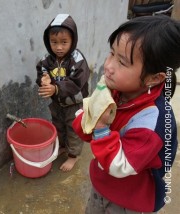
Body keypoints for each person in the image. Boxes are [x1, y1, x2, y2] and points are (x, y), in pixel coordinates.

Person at [72, 15, 180, 213]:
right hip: (102, 184)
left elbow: (119, 165)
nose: (108, 66)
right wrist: (88, 119)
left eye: (122, 62)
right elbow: (85, 126)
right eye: (111, 53)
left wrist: (102, 127)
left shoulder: (152, 122)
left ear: (154, 78)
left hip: (128, 200)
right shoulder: (115, 88)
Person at [36, 14, 90, 171]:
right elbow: (41, 71)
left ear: (73, 40)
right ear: (48, 42)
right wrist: (43, 79)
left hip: (75, 104)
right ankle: (62, 147)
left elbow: (76, 83)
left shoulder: (77, 59)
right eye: (54, 42)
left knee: (73, 129)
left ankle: (73, 156)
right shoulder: (48, 59)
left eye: (64, 42)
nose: (59, 47)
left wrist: (56, 88)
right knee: (58, 126)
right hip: (57, 102)